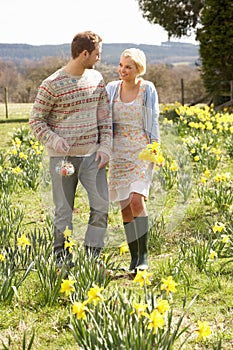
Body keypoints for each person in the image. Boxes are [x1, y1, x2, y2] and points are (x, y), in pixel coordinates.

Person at [29, 31, 112, 267]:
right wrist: (54, 140)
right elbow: (36, 121)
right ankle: (62, 262)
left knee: (101, 206)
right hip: (62, 160)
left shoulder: (97, 79)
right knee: (64, 212)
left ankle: (92, 258)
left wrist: (105, 147)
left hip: (93, 157)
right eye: (97, 54)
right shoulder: (52, 84)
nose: (99, 58)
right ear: (84, 53)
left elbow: (104, 118)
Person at [106, 48, 160, 271]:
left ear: (139, 69)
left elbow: (153, 119)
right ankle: (134, 258)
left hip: (141, 151)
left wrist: (155, 147)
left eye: (128, 67)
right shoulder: (111, 89)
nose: (122, 70)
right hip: (118, 153)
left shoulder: (148, 89)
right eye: (120, 65)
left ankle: (144, 257)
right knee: (125, 207)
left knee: (137, 200)